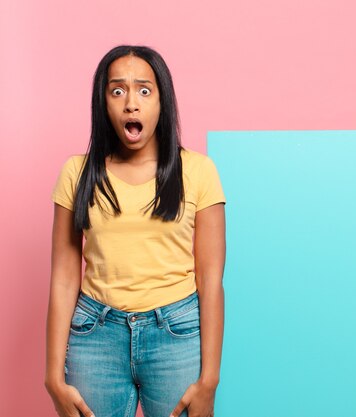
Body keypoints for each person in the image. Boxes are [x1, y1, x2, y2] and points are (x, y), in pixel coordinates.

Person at [44, 45, 226, 417]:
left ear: (163, 101)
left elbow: (210, 279)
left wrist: (210, 380)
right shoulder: (76, 174)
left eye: (144, 90)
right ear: (103, 103)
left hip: (176, 334)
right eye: (117, 91)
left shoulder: (198, 171)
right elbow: (64, 278)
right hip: (95, 336)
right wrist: (52, 377)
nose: (131, 103)